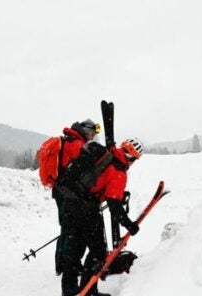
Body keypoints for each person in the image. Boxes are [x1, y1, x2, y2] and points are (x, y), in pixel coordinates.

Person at [56, 137, 144, 296]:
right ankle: (88, 292)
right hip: (87, 209)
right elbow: (114, 205)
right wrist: (129, 225)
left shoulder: (105, 154)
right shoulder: (119, 171)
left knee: (74, 249)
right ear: (132, 157)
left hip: (69, 203)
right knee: (98, 252)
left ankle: (68, 291)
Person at [52, 119, 100, 274]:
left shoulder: (70, 140)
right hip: (67, 192)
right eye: (92, 134)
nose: (92, 137)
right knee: (69, 229)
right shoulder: (76, 144)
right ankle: (66, 266)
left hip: (61, 190)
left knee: (66, 227)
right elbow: (78, 170)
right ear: (86, 131)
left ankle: (63, 264)